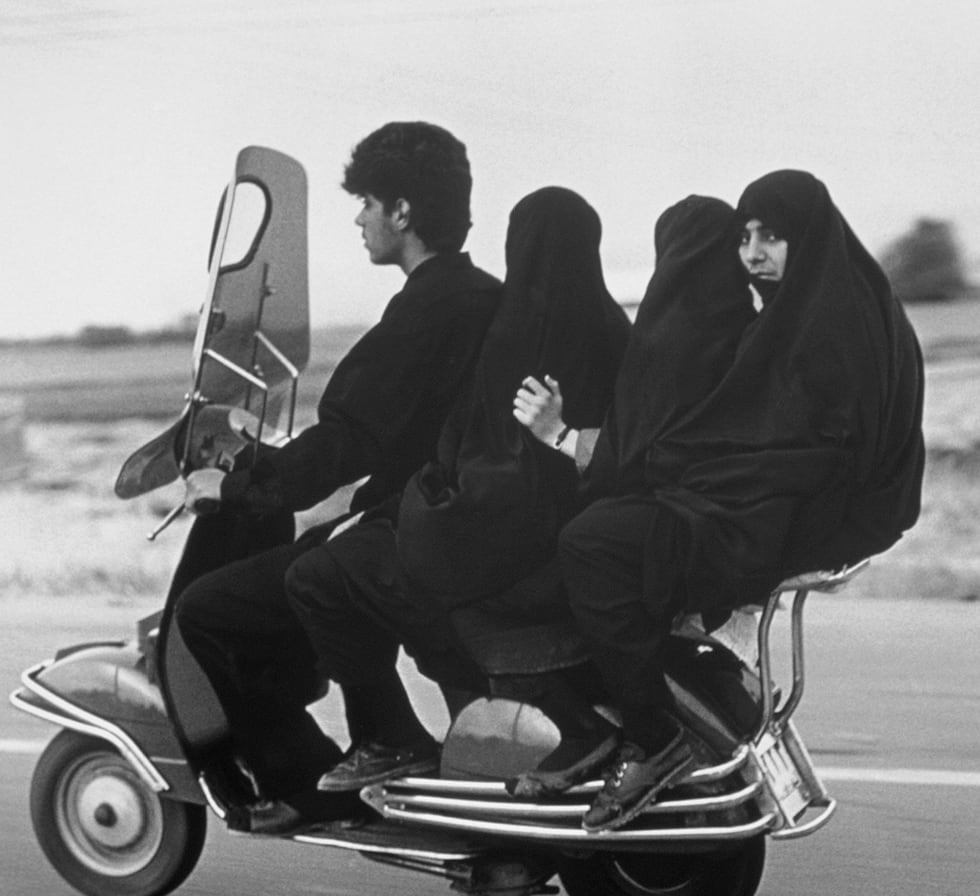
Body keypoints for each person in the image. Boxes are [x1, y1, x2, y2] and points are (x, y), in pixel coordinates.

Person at [516, 181, 924, 834]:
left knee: (591, 542)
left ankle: (651, 738)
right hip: (845, 512)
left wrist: (609, 455)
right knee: (631, 525)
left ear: (807, 236)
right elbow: (761, 436)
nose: (753, 254)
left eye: (771, 236)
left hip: (803, 519)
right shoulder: (843, 299)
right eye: (745, 236)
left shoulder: (815, 328)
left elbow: (776, 447)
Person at [172, 121, 501, 832]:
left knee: (210, 609)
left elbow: (352, 438)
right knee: (312, 557)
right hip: (450, 517)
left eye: (367, 203)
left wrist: (233, 485)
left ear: (403, 212)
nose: (358, 219)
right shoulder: (485, 296)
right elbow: (398, 436)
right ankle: (374, 749)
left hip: (410, 532)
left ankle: (317, 786)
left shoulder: (424, 310)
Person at [284, 186, 629, 791]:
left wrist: (418, 504)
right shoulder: (614, 330)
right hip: (566, 533)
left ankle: (390, 740)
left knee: (325, 572)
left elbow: (491, 470)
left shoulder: (518, 334)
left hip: (501, 539)